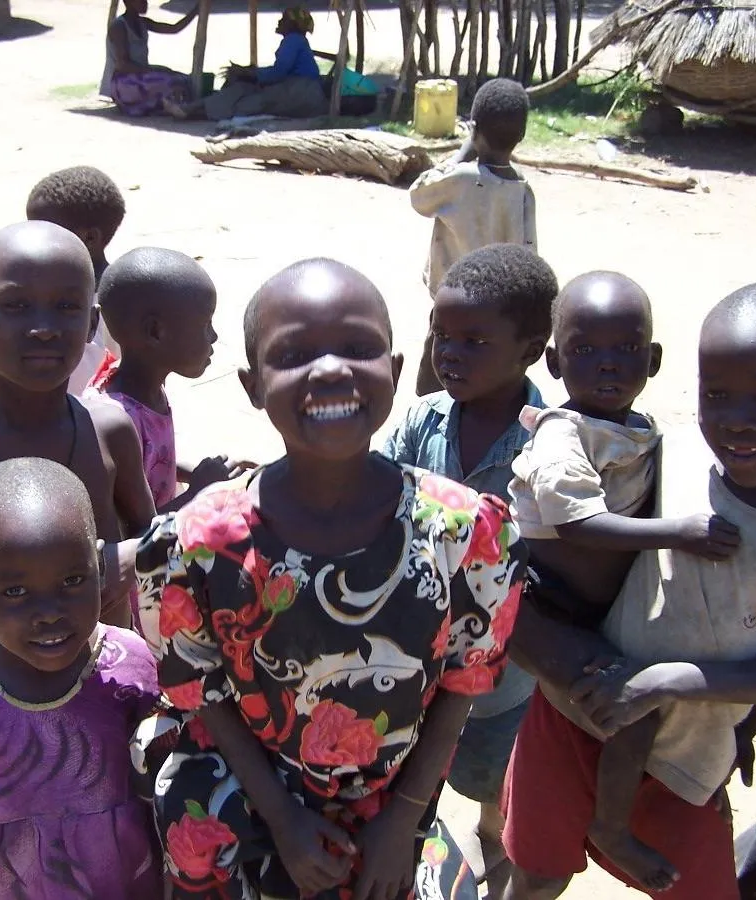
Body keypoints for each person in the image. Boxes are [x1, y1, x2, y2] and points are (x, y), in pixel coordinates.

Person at [134, 257, 527, 899]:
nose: (331, 368)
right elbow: (200, 692)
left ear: (397, 373)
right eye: (293, 354)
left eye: (357, 347)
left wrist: (402, 820)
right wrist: (285, 819)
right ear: (252, 385)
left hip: (393, 800)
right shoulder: (196, 544)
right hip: (245, 789)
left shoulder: (462, 533)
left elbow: (464, 681)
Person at [500, 281, 756, 900]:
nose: (738, 419)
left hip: (685, 753)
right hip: (578, 709)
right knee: (536, 877)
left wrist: (680, 687)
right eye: (717, 394)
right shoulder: (673, 451)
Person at [0, 457, 163, 900]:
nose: (50, 613)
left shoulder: (129, 666)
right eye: (15, 592)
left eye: (73, 580)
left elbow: (161, 775)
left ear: (99, 565)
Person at [383, 243, 558, 896]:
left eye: (474, 340)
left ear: (531, 348)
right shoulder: (420, 423)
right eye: (441, 337)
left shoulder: (551, 448)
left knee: (499, 804)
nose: (448, 353)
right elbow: (377, 496)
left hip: (504, 689)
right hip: (411, 671)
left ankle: (495, 875)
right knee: (408, 798)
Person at [0, 221, 155, 636]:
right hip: (2, 686)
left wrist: (127, 560)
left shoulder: (109, 429)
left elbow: (149, 536)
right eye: (15, 305)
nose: (44, 327)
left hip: (109, 675)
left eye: (67, 307)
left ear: (92, 325)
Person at [86, 246, 254, 511]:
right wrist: (201, 491)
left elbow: (148, 462)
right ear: (155, 332)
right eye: (205, 325)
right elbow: (142, 532)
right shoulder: (118, 419)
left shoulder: (143, 387)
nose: (213, 337)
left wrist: (205, 474)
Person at [409, 79, 535, 397]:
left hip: (452, 302)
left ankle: (427, 427)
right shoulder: (522, 189)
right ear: (520, 136)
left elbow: (419, 196)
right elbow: (529, 253)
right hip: (497, 309)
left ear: (474, 129)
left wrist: (465, 148)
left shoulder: (460, 179)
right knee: (485, 372)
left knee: (436, 374)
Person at [26, 165, 127, 395]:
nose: (34, 239)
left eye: (47, 231)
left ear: (89, 237)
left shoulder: (118, 303)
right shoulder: (37, 294)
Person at [162, 6, 326, 122]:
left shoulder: (293, 40)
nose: (279, 21)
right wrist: (252, 72)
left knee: (246, 103)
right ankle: (189, 110)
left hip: (300, 93)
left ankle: (189, 111)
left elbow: (278, 73)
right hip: (301, 91)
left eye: (283, 19)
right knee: (243, 95)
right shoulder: (297, 41)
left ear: (292, 25)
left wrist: (249, 73)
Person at [100, 0, 200, 116]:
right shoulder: (119, 27)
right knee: (171, 82)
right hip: (122, 84)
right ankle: (175, 108)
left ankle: (173, 106)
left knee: (183, 78)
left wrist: (197, 9)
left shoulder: (142, 23)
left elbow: (174, 29)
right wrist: (154, 70)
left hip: (139, 77)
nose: (145, 2)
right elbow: (122, 65)